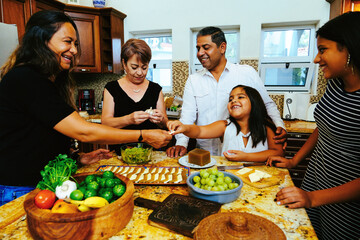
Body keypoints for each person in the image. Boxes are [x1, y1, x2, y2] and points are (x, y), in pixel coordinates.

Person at [0, 10, 171, 206]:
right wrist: (143, 135)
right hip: (18, 188)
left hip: (42, 186)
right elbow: (84, 131)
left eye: (75, 44)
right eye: (67, 41)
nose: (73, 50)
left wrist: (77, 159)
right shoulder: (25, 79)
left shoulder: (45, 81)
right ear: (41, 40)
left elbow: (38, 137)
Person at [267, 12, 360, 240]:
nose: (317, 60)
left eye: (323, 50)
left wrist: (314, 198)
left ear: (347, 49)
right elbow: (324, 127)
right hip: (315, 181)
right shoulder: (336, 84)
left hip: (344, 202)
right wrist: (294, 160)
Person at [166, 26, 286, 158]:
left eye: (206, 47)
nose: (200, 53)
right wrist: (182, 143)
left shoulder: (246, 73)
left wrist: (279, 126)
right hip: (205, 153)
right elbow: (188, 119)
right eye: (198, 48)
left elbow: (267, 104)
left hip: (244, 151)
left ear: (222, 47)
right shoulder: (194, 80)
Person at [167, 85, 284, 161]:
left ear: (254, 102)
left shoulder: (266, 126)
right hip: (229, 177)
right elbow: (200, 131)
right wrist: (185, 128)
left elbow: (278, 152)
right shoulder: (225, 125)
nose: (234, 101)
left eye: (241, 97)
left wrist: (246, 157)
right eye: (231, 99)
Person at [101, 38, 168, 154]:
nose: (140, 73)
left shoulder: (156, 89)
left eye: (144, 67)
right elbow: (105, 123)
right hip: (120, 154)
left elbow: (165, 123)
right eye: (134, 67)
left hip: (152, 153)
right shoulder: (111, 88)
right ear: (124, 64)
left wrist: (161, 119)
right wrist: (129, 119)